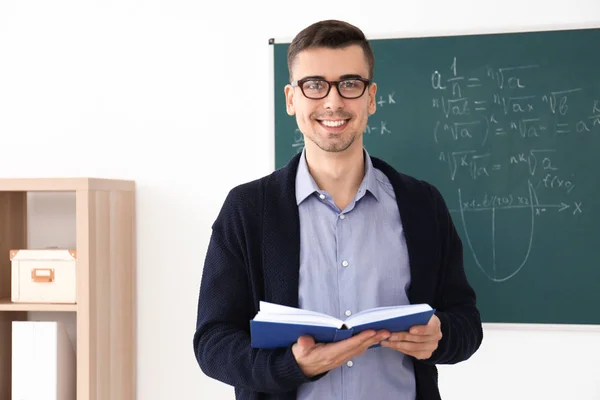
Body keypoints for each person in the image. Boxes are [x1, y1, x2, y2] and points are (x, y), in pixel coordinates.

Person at [193, 19, 483, 400]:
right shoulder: (248, 210)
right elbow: (212, 343)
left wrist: (440, 336)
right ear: (291, 98)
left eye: (350, 84)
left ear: (371, 97)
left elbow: (466, 322)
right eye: (314, 85)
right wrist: (291, 367)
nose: (333, 102)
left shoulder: (422, 204)